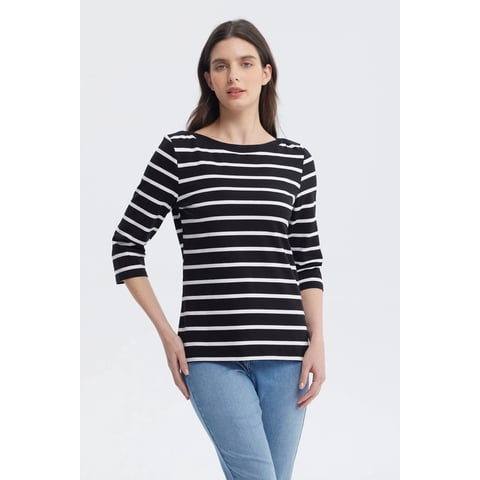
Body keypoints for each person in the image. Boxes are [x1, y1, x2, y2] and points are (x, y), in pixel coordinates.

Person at [111, 18, 326, 480]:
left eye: (245, 64)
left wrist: (318, 341)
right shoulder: (179, 153)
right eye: (221, 66)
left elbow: (307, 258)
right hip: (211, 355)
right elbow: (126, 244)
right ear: (208, 78)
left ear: (266, 73)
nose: (234, 76)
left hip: (287, 354)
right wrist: (168, 335)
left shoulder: (296, 161)